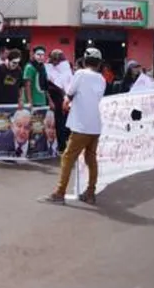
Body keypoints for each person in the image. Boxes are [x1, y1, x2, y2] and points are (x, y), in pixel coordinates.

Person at [39, 48, 107, 205]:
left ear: (84, 60)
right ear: (99, 63)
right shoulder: (101, 79)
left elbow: (69, 93)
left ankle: (59, 192)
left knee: (68, 157)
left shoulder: (80, 74)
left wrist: (65, 103)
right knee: (91, 159)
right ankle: (90, 192)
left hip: (81, 125)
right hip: (95, 125)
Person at [44, 49, 73, 153]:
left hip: (54, 99)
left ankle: (56, 146)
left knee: (54, 123)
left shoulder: (49, 68)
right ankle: (61, 146)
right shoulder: (66, 68)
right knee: (60, 123)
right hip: (62, 98)